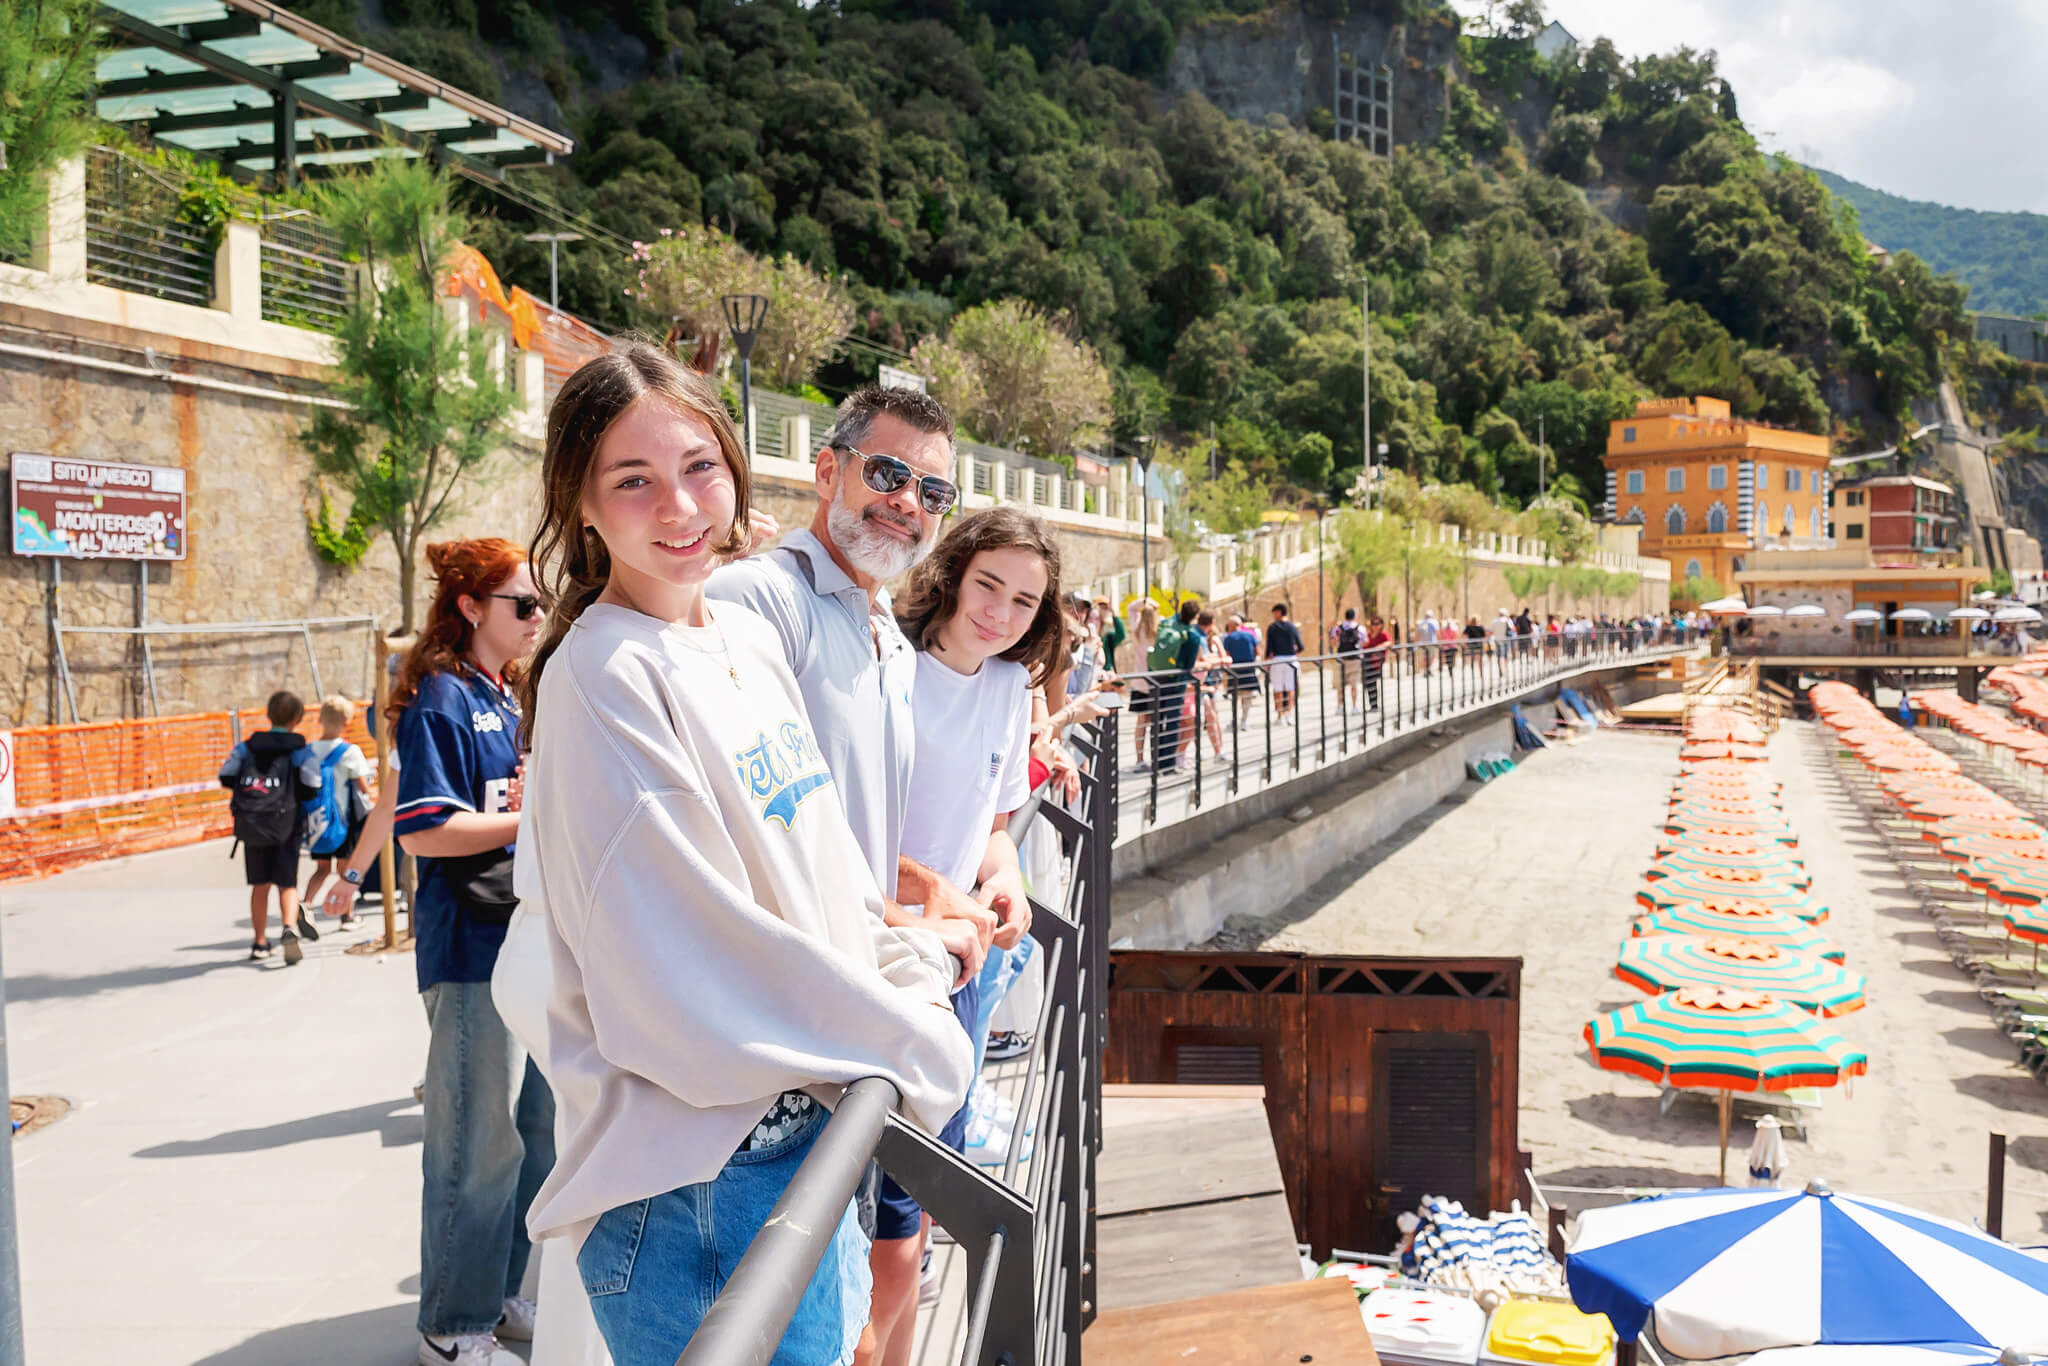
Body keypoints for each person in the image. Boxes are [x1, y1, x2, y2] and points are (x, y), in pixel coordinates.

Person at [511, 344, 972, 1366]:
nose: (677, 506)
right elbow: (687, 962)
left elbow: (825, 876)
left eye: (698, 468)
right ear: (581, 505)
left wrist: (905, 961)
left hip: (797, 1145)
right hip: (695, 1190)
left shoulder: (734, 638)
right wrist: (910, 1035)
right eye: (632, 481)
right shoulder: (605, 676)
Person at [707, 384, 999, 1361]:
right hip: (763, 1057)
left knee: (829, 1305)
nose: (907, 501)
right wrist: (903, 920)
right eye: (886, 473)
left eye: (931, 489)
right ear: (825, 469)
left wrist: (922, 889)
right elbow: (748, 831)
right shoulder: (764, 601)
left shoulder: (875, 626)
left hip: (833, 1029)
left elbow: (837, 821)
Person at [892, 508, 1065, 1321]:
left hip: (963, 956)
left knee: (934, 1164)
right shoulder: (888, 667)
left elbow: (992, 828)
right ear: (954, 574)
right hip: (887, 949)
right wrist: (936, 889)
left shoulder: (1005, 687)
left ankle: (909, 1293)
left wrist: (1010, 883)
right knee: (879, 1193)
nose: (999, 611)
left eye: (1024, 602)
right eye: (988, 585)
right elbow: (830, 833)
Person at [389, 537, 552, 1366]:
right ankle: (452, 1325)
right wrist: (537, 820)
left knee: (535, 1131)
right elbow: (422, 830)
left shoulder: (505, 693)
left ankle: (501, 1297)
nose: (536, 618)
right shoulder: (443, 700)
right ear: (469, 608)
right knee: (476, 1144)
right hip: (470, 954)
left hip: (520, 944)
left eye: (539, 605)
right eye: (522, 605)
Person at [219, 689, 324, 963]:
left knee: (260, 885)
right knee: (287, 883)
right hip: (287, 824)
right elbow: (313, 784)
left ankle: (259, 941)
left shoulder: (247, 747)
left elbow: (227, 775)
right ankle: (289, 927)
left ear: (268, 714)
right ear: (297, 718)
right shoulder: (301, 749)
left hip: (253, 824)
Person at [301, 695, 375, 923]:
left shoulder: (308, 751)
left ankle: (305, 905)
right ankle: (347, 916)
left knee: (322, 869)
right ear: (346, 722)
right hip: (343, 821)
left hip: (318, 821)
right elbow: (363, 786)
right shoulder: (349, 752)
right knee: (345, 870)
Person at [1142, 599, 1201, 773]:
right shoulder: (1192, 636)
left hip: (1157, 678)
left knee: (1157, 722)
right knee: (1172, 722)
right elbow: (1189, 665)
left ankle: (1156, 761)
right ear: (1195, 617)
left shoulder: (1167, 625)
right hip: (1176, 682)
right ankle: (1168, 765)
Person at [1125, 598, 1160, 756]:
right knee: (1156, 722)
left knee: (1141, 723)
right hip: (1155, 683)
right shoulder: (1158, 634)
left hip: (1139, 683)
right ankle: (1155, 756)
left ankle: (1140, 758)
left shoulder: (1137, 632)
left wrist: (1144, 601)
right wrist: (1155, 605)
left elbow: (1131, 608)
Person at [1263, 602, 1303, 725]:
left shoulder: (1272, 627)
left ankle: (1280, 715)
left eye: (1274, 613)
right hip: (1291, 659)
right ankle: (1289, 714)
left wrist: (1266, 661)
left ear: (1279, 612)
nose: (1273, 615)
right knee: (1291, 687)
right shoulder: (1292, 627)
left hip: (1277, 660)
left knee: (1278, 688)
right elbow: (1300, 646)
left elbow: (1269, 647)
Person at [1222, 613, 1261, 727]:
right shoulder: (1250, 635)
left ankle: (1235, 720)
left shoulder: (1229, 638)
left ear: (1233, 625)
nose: (1228, 627)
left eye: (1229, 625)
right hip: (1249, 668)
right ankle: (1244, 721)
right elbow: (1257, 652)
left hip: (1234, 669)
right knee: (1247, 695)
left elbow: (1227, 655)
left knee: (1234, 696)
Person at [1332, 608, 1364, 711]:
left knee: (1340, 684)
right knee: (1354, 684)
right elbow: (1365, 642)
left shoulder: (1338, 628)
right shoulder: (1360, 628)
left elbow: (1333, 642)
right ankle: (1354, 707)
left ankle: (1340, 707)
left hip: (1341, 659)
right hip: (1355, 659)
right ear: (1355, 616)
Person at [1362, 615, 1392, 712]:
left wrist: (1379, 647)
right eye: (1373, 624)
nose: (1374, 626)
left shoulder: (1383, 634)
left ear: (1381, 625)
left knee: (1372, 682)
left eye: (1377, 624)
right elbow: (1363, 644)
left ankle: (1374, 705)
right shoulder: (1368, 635)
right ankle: (1373, 705)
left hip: (1376, 663)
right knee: (1368, 683)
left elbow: (1389, 642)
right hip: (1367, 661)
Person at [1096, 596, 1126, 673]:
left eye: (1106, 608)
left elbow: (1121, 634)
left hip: (1107, 675)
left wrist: (1114, 614)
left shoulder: (1107, 636)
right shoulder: (1086, 635)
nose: (1105, 611)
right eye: (1102, 608)